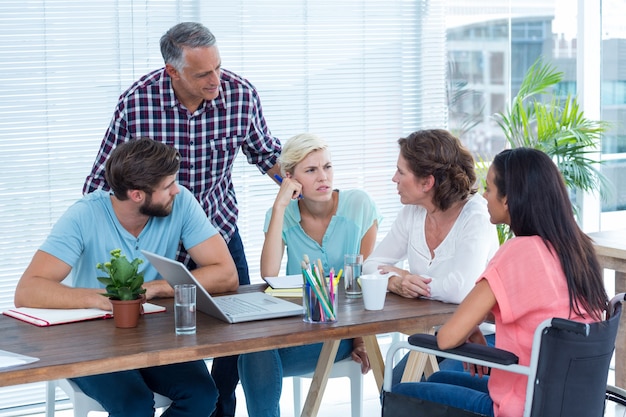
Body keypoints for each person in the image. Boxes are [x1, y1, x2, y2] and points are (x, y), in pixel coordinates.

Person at [82, 22, 282, 416]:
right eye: (203, 73)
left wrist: (304, 188)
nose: (216, 80)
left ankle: (220, 409)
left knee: (233, 341)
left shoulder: (240, 96)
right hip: (156, 243)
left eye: (219, 67)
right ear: (172, 71)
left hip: (217, 234)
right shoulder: (136, 103)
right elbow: (100, 184)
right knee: (158, 334)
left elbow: (267, 157)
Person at [15, 139, 239, 417]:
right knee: (134, 404)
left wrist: (154, 287)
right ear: (137, 195)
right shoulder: (84, 214)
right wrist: (105, 299)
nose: (176, 190)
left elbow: (226, 274)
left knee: (204, 395)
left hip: (155, 335)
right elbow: (28, 289)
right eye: (168, 185)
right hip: (92, 339)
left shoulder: (181, 204)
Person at [389, 147, 608, 417]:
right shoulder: (578, 249)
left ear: (508, 200)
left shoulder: (518, 252)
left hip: (521, 405)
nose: (484, 196)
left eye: (490, 189)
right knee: (434, 381)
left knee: (400, 393)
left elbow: (446, 338)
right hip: (565, 403)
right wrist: (471, 328)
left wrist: (466, 327)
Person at [237, 133, 381, 417]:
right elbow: (269, 273)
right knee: (254, 352)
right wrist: (280, 205)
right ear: (290, 177)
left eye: (327, 167)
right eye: (311, 170)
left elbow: (367, 278)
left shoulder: (359, 205)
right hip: (296, 328)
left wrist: (362, 338)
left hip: (343, 330)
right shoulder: (283, 214)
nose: (323, 177)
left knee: (251, 356)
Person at [362, 129, 499, 378]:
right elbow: (371, 265)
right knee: (393, 389)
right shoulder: (413, 213)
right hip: (437, 334)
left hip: (481, 337)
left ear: (427, 182)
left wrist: (410, 283)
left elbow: (461, 289)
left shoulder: (476, 216)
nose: (394, 179)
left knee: (422, 389)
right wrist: (397, 280)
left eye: (401, 172)